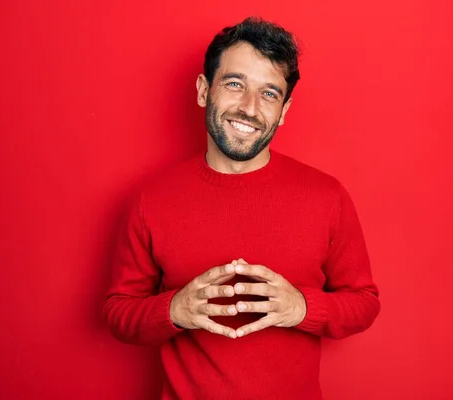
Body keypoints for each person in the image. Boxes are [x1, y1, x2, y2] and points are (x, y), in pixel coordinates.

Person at [103, 16, 380, 400]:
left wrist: (301, 307)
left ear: (283, 110)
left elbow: (364, 303)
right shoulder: (150, 199)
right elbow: (118, 312)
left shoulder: (327, 196)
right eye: (235, 84)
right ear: (204, 90)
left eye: (269, 93)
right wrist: (173, 310)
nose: (249, 108)